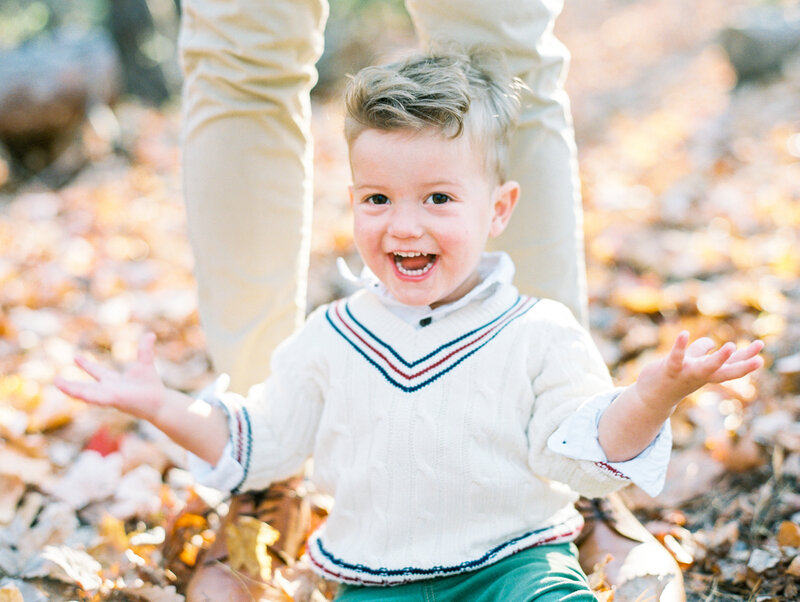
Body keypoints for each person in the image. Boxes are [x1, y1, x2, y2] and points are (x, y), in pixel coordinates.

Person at [56, 51, 764, 601]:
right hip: (372, 580)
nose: (403, 224)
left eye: (437, 197)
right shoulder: (332, 338)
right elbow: (261, 443)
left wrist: (655, 395)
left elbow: (575, 453)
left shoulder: (539, 333)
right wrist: (161, 406)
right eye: (377, 198)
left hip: (514, 567)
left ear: (499, 208)